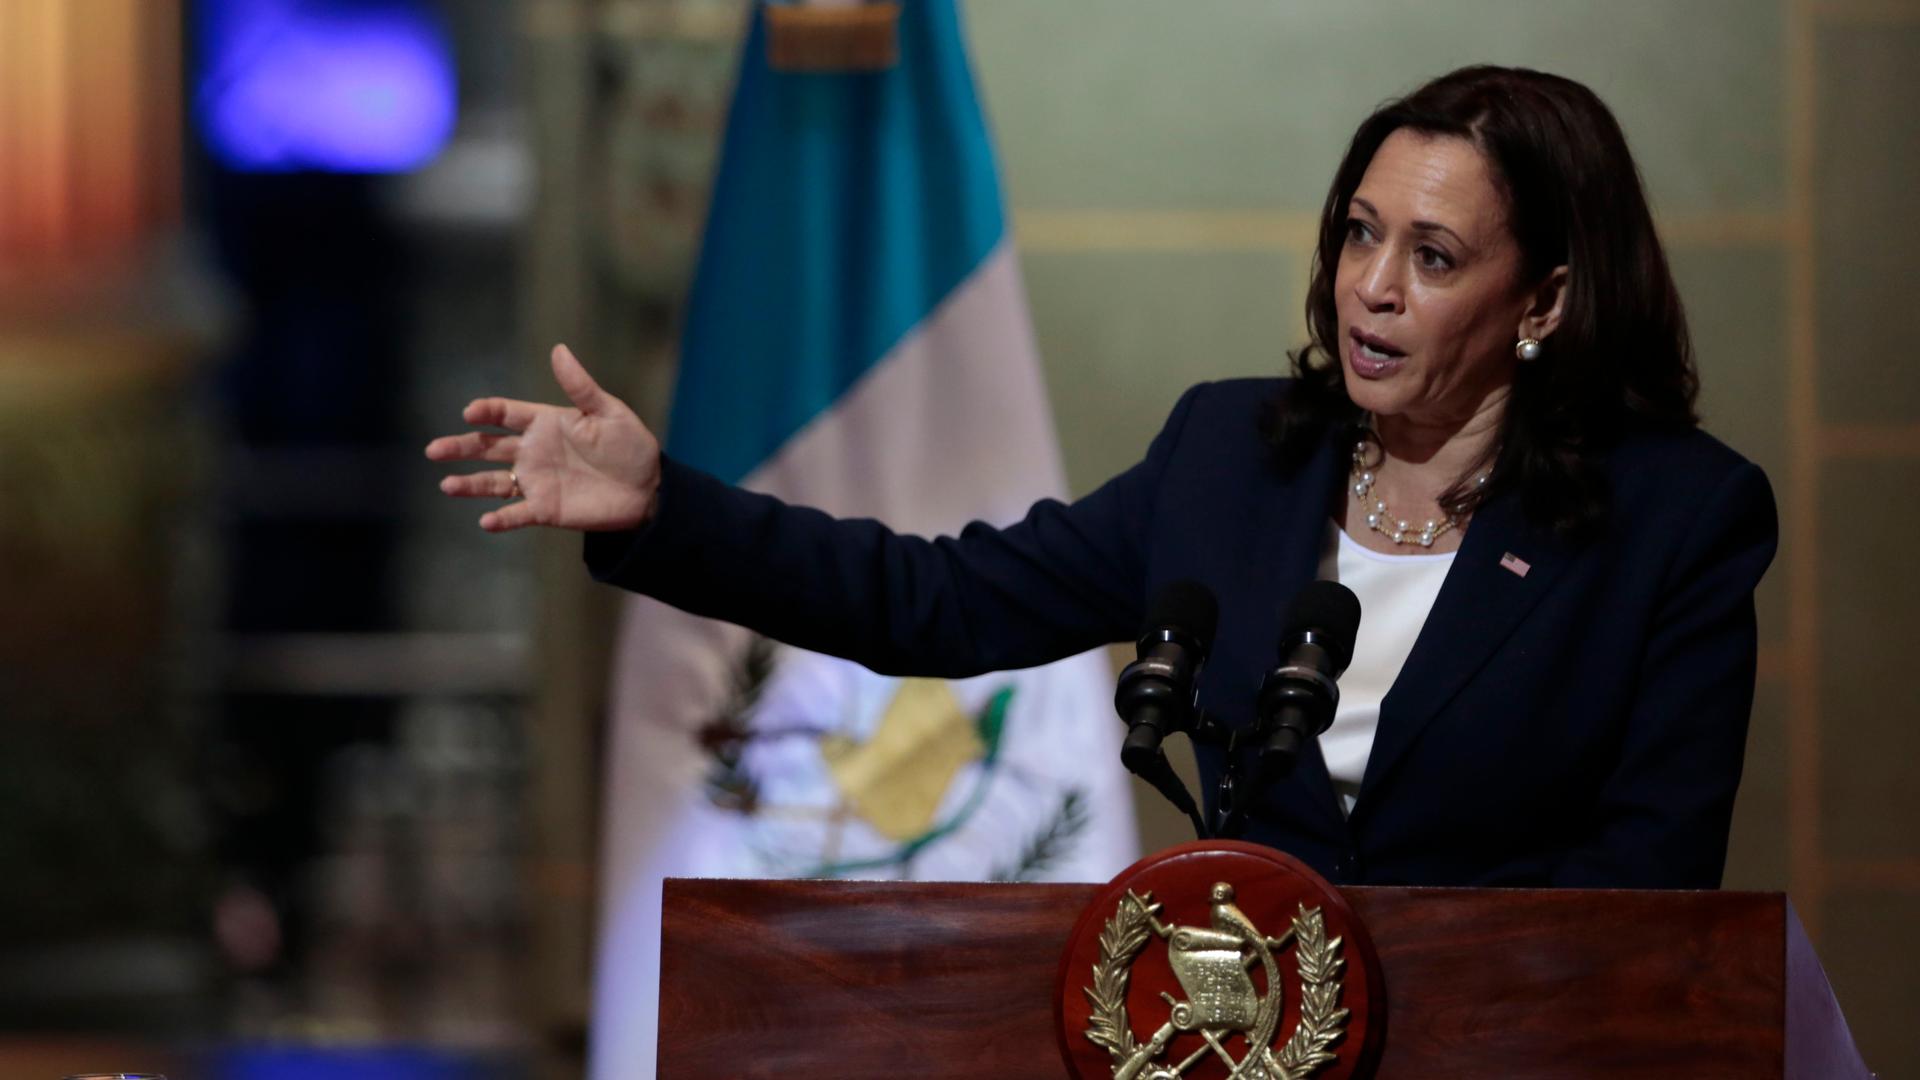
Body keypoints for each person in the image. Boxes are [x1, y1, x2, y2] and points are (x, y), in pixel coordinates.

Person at [427, 66, 1776, 889]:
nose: (1368, 288)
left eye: (1432, 256)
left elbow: (1646, 887)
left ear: (1541, 298)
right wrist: (669, 507)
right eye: (1360, 233)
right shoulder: (1234, 461)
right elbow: (935, 602)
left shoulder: (1677, 521)